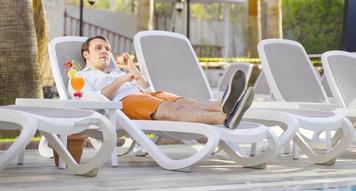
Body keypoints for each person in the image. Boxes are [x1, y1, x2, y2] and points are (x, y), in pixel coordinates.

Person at [78, 35, 254, 129]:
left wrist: (131, 68)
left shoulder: (115, 71)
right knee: (174, 110)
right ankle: (224, 118)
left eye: (107, 48)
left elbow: (146, 86)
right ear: (86, 54)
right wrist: (122, 78)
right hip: (124, 103)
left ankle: (223, 105)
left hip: (145, 94)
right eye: (98, 48)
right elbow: (95, 100)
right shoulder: (81, 76)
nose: (105, 51)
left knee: (187, 103)